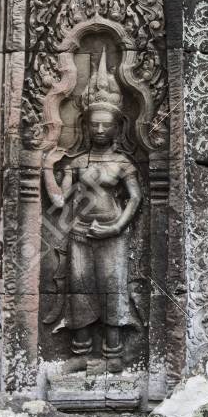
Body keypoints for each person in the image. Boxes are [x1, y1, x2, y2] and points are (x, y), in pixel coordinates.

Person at [42, 51, 142, 373]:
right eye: (94, 124)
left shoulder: (123, 163)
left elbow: (135, 199)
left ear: (117, 127)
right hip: (81, 234)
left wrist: (116, 228)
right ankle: (82, 351)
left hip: (113, 232)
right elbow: (60, 201)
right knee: (80, 287)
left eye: (106, 125)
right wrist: (47, 167)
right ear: (86, 125)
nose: (99, 130)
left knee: (112, 286)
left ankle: (113, 354)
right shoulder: (76, 161)